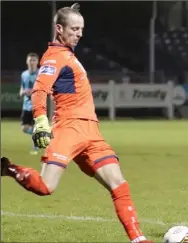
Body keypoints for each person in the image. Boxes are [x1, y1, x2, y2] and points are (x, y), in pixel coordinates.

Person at [1, 3, 151, 243]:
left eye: (81, 29)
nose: (80, 34)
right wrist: (40, 121)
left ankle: (139, 239)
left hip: (91, 131)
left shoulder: (68, 54)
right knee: (45, 187)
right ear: (59, 29)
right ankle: (8, 168)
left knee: (119, 184)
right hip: (69, 128)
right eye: (75, 29)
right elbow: (39, 90)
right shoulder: (54, 57)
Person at [19, 52, 40, 155]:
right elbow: (22, 87)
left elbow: (45, 89)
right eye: (30, 60)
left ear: (37, 62)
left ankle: (35, 148)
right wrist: (22, 92)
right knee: (24, 128)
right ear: (26, 62)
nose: (32, 62)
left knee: (35, 126)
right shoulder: (24, 74)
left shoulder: (41, 74)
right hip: (26, 106)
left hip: (38, 106)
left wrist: (34, 92)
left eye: (34, 60)